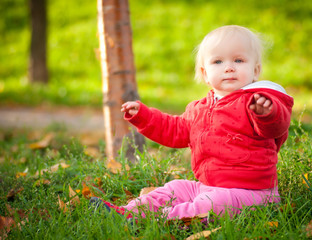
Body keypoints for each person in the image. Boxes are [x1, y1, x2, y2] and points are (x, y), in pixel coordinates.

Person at [90, 25, 294, 220]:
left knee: (211, 205)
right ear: (205, 74)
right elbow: (173, 129)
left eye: (239, 61)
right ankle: (128, 212)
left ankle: (155, 220)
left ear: (255, 70)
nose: (229, 68)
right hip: (207, 185)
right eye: (218, 62)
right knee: (175, 188)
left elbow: (276, 128)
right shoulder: (198, 109)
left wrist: (266, 113)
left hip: (251, 193)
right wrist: (143, 116)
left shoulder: (257, 101)